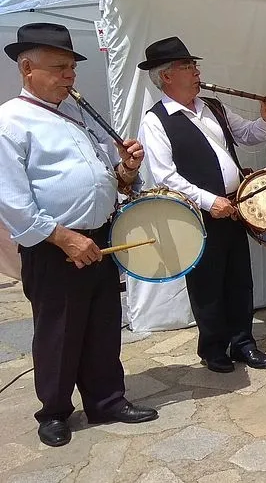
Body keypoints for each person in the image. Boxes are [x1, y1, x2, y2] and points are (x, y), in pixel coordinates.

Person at [0, 23, 158, 447]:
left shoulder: (76, 113)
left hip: (99, 237)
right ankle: (54, 412)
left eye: (71, 67)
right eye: (59, 68)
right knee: (59, 331)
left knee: (103, 325)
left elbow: (108, 176)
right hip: (54, 247)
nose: (70, 76)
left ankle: (106, 400)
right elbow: (12, 200)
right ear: (27, 68)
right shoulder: (9, 121)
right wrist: (64, 238)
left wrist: (126, 169)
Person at [138, 36, 266, 374]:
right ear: (167, 76)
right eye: (188, 66)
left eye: (194, 65)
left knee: (239, 278)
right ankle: (214, 347)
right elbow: (165, 175)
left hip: (234, 208)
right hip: (198, 216)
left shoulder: (213, 106)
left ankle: (243, 342)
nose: (197, 72)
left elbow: (248, 135)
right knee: (207, 283)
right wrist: (208, 200)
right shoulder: (156, 120)